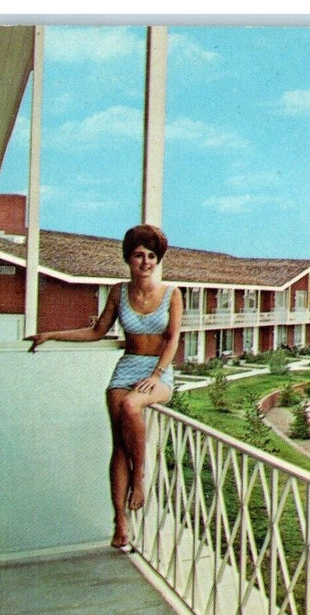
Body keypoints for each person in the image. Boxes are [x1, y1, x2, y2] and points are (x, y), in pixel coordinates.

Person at [27, 224, 182, 553]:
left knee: (131, 407)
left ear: (158, 260)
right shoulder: (118, 292)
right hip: (125, 369)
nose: (145, 262)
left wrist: (156, 374)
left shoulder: (172, 293)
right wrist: (51, 335)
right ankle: (120, 523)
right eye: (139, 255)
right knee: (119, 447)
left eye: (151, 256)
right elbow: (97, 331)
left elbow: (172, 341)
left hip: (158, 374)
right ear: (128, 258)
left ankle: (138, 479)